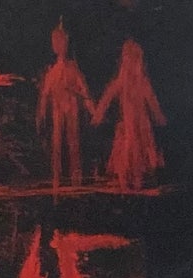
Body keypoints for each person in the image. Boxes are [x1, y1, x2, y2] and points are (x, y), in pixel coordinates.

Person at [95, 38, 166, 190]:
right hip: (128, 125)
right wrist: (99, 113)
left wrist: (159, 117)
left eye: (134, 60)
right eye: (128, 60)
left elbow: (152, 101)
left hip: (141, 125)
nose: (131, 64)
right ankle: (127, 182)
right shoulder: (122, 82)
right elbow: (107, 96)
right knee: (128, 149)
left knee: (139, 151)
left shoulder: (143, 83)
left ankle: (137, 181)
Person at [34, 20, 93, 187]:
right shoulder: (52, 72)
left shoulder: (73, 69)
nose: (58, 45)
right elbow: (45, 95)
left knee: (73, 143)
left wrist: (92, 110)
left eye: (61, 41)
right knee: (57, 144)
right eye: (55, 41)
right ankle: (56, 179)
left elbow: (84, 93)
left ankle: (76, 179)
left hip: (72, 109)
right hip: (58, 111)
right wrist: (40, 114)